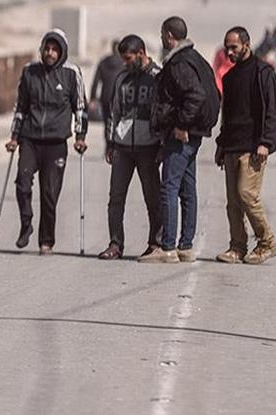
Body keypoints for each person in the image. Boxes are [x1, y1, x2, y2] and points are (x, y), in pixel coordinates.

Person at [142, 16, 219, 264]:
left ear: (168, 35)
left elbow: (195, 95)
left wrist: (182, 124)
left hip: (183, 135)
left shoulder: (179, 63)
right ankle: (185, 246)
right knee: (187, 188)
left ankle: (167, 247)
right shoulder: (197, 59)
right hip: (194, 135)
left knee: (169, 188)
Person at [6, 29, 89, 255]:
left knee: (49, 193)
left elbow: (80, 108)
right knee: (22, 183)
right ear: (42, 49)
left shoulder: (72, 73)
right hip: (30, 139)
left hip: (56, 142)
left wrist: (80, 137)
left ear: (61, 52)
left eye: (55, 49)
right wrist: (14, 137)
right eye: (47, 48)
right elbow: (20, 106)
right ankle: (26, 223)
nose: (50, 53)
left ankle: (47, 241)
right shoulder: (29, 71)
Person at [213, 27, 276, 265]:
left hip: (253, 148)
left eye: (234, 47)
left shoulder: (263, 72)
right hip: (232, 145)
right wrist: (221, 145)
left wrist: (266, 142)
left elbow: (272, 110)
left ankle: (267, 242)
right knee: (233, 202)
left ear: (246, 44)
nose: (230, 51)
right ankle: (237, 246)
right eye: (227, 47)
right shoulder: (229, 77)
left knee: (247, 195)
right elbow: (228, 115)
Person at [98, 35, 162, 261]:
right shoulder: (122, 78)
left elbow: (163, 113)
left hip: (148, 147)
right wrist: (110, 143)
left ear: (141, 53)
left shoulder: (157, 77)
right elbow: (113, 113)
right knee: (116, 198)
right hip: (123, 148)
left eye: (128, 58)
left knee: (152, 197)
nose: (125, 63)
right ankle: (115, 243)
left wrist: (161, 144)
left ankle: (156, 243)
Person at [89, 40, 124, 121]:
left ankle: (107, 133)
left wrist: (93, 98)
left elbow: (96, 81)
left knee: (107, 122)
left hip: (105, 97)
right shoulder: (124, 63)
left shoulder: (103, 62)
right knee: (118, 123)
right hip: (120, 97)